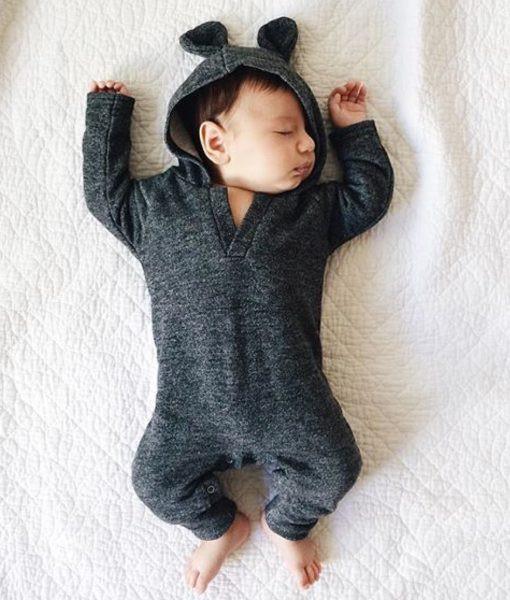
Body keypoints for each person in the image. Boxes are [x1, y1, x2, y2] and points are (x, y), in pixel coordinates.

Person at [82, 17, 394, 595]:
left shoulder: (309, 213)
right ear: (216, 142)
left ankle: (286, 522)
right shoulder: (159, 207)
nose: (308, 144)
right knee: (154, 482)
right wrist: (108, 117)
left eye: (309, 132)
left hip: (292, 402)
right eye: (285, 132)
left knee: (336, 468)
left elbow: (367, 196)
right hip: (190, 407)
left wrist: (352, 130)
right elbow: (107, 197)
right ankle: (221, 526)